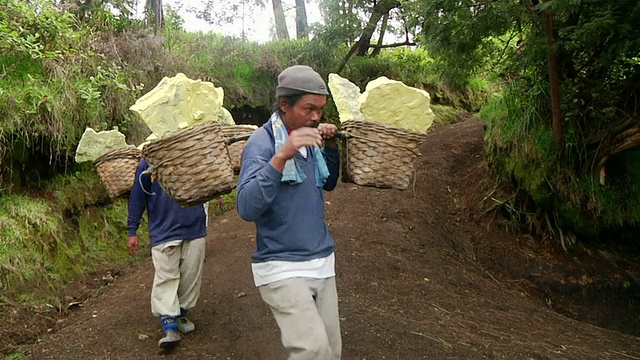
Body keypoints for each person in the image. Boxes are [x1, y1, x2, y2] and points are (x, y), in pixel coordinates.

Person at [236, 65, 342, 359]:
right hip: (281, 267)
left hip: (322, 262)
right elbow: (246, 207)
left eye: (320, 109)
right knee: (313, 351)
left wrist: (330, 146)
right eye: (309, 108)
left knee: (332, 352)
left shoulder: (308, 138)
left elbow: (328, 182)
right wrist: (282, 155)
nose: (316, 116)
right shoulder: (263, 143)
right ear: (285, 104)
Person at [127, 157, 208, 348]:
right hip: (164, 230)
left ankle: (181, 313)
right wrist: (132, 230)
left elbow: (207, 179)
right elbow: (137, 197)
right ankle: (169, 324)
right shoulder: (146, 162)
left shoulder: (191, 153)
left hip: (194, 227)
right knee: (166, 277)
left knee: (191, 275)